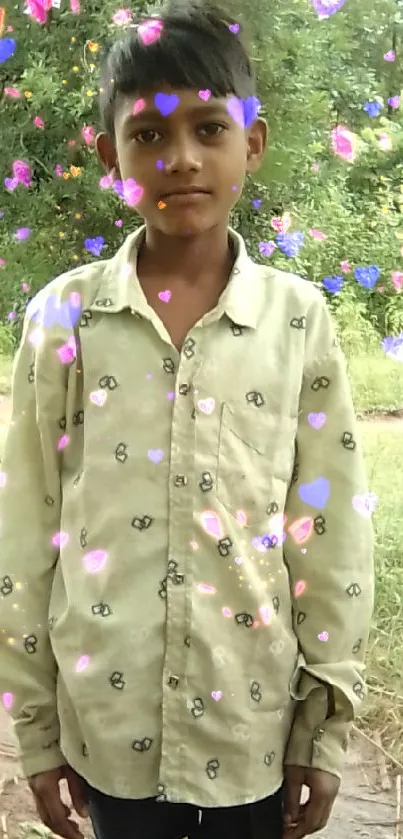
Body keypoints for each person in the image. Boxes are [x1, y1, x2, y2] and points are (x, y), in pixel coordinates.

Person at [0, 1, 374, 838]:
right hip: (108, 723)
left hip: (250, 727)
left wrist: (325, 722)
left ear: (254, 143)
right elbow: (26, 528)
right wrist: (34, 730)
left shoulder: (295, 320)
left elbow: (328, 529)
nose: (180, 159)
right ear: (109, 155)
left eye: (209, 129)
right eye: (147, 136)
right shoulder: (65, 318)